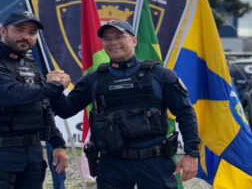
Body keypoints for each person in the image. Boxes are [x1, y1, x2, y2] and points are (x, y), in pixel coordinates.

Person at [47, 20, 200, 189]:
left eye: (119, 37)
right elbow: (65, 110)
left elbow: (185, 113)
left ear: (133, 41)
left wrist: (191, 154)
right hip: (113, 164)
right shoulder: (94, 79)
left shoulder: (160, 75)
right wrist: (55, 87)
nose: (113, 43)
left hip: (154, 161)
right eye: (107, 39)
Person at [0, 10, 70, 189]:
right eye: (20, 30)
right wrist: (56, 86)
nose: (25, 36)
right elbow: (13, 95)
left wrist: (57, 143)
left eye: (32, 32)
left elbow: (43, 106)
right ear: (3, 31)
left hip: (32, 154)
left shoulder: (30, 64)